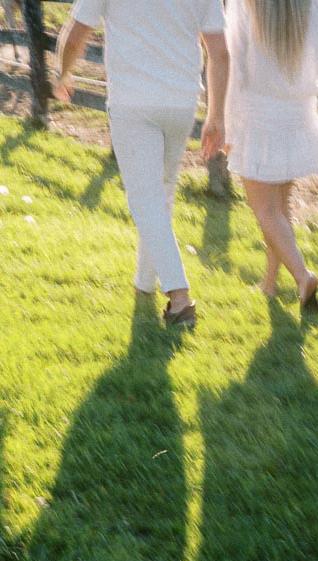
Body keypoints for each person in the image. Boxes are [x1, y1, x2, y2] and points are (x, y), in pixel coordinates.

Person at [57, 1, 229, 328]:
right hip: (181, 102)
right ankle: (144, 282)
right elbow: (220, 53)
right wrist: (216, 115)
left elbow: (76, 33)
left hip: (132, 101)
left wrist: (63, 73)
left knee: (145, 199)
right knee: (160, 196)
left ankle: (179, 298)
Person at [224, 0, 318, 311]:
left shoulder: (245, 4)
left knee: (266, 212)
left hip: (258, 116)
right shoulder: (311, 4)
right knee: (280, 209)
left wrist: (228, 126)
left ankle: (303, 276)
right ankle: (269, 283)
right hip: (298, 119)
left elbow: (236, 67)